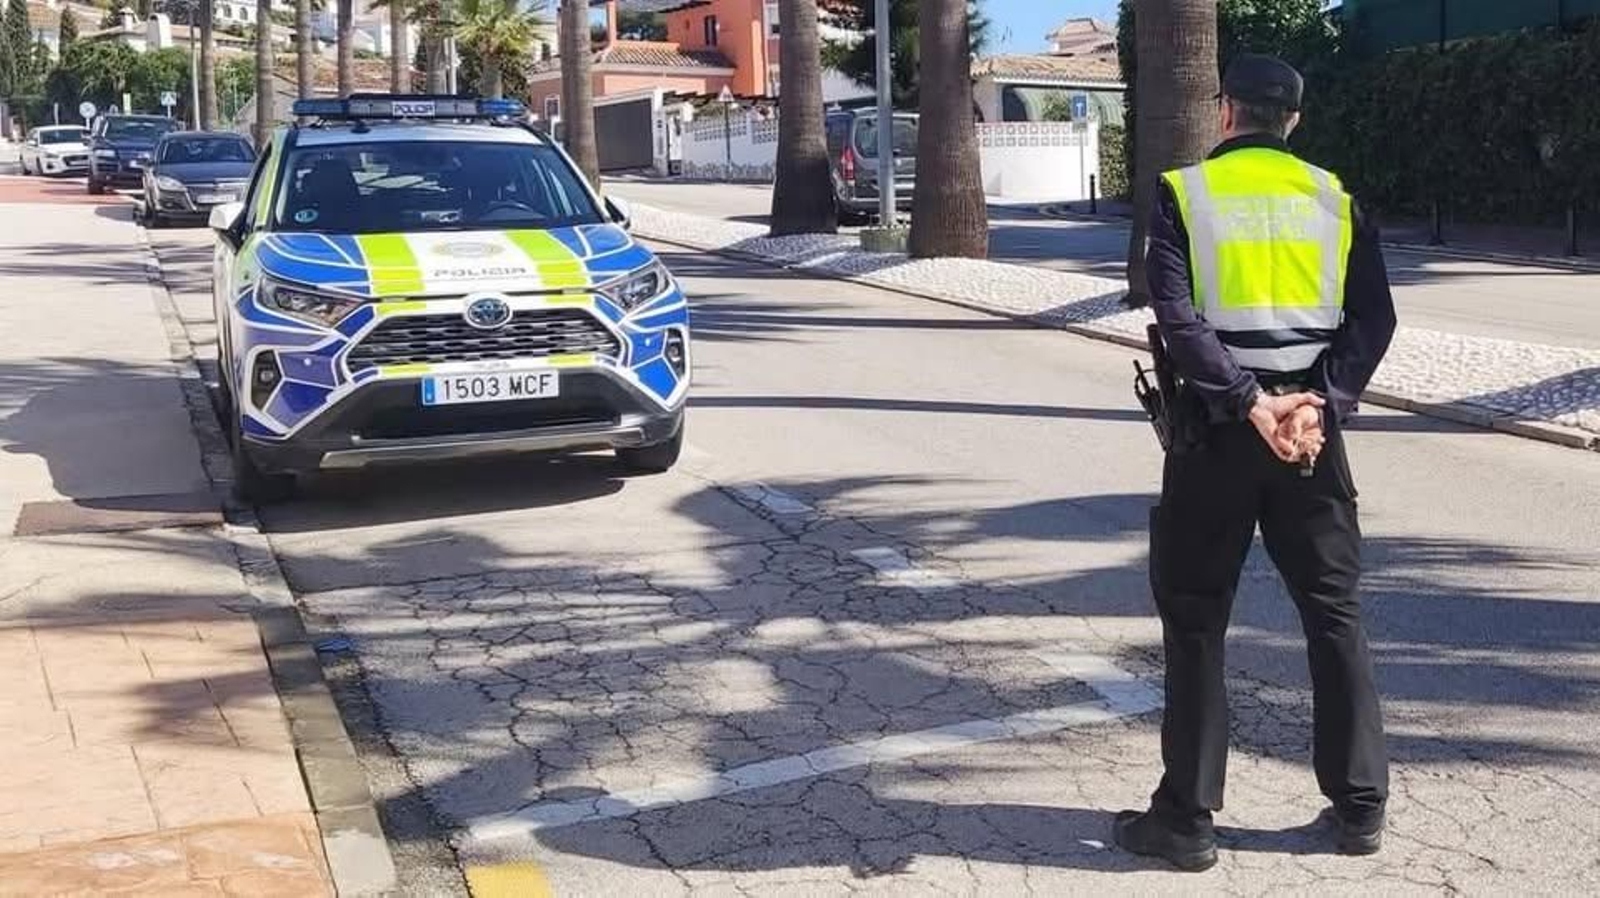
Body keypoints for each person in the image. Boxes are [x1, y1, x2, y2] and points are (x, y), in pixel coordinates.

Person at [1114, 54, 1398, 872]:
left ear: (1226, 110)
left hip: (1217, 435)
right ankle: (1359, 809)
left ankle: (1188, 820)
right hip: (1310, 439)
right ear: (1294, 121)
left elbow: (1176, 311)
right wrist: (1319, 403)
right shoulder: (1333, 198)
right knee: (1333, 614)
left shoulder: (1185, 195)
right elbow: (1373, 319)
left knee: (1197, 620)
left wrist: (1249, 402)